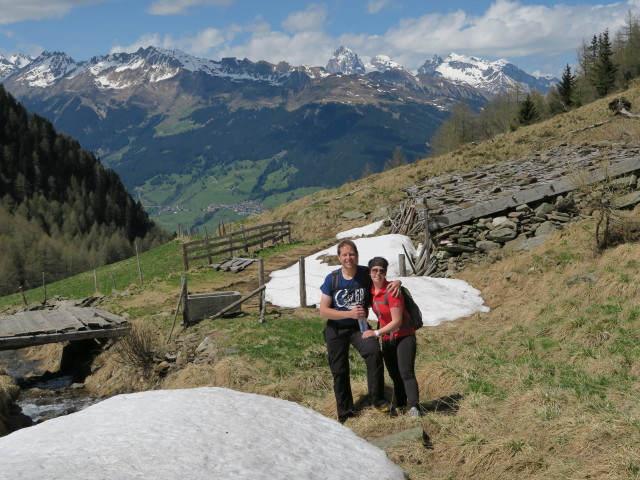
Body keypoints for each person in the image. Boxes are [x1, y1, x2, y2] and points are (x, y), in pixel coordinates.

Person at [319, 239, 401, 423]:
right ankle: (345, 412)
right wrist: (349, 313)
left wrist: (397, 281)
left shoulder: (365, 273)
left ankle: (378, 399)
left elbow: (383, 280)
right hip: (336, 329)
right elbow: (323, 310)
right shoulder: (332, 278)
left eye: (352, 254)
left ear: (356, 255)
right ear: (339, 257)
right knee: (339, 370)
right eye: (345, 255)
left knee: (373, 353)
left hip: (359, 328)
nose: (349, 258)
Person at [362, 256, 420, 417]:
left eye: (381, 270)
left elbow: (397, 321)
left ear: (385, 273)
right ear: (370, 272)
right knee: (395, 375)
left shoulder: (392, 291)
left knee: (406, 372)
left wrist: (375, 333)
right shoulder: (372, 291)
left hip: (404, 335)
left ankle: (414, 407)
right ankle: (402, 405)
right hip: (388, 339)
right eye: (374, 270)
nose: (378, 273)